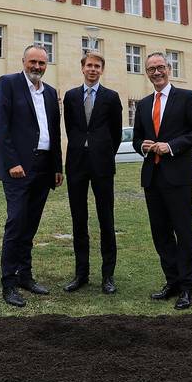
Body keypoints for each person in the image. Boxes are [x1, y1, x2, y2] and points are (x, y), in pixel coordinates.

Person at [132, 52, 192, 310]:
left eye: (160, 67)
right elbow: (137, 138)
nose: (156, 72)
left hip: (178, 178)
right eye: (151, 69)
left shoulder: (186, 97)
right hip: (152, 178)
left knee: (183, 233)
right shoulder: (143, 104)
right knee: (161, 234)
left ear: (169, 68)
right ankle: (172, 281)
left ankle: (187, 287)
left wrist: (172, 146)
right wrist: (143, 146)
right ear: (147, 73)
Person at [0, 44, 63, 307]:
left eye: (42, 63)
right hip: (18, 169)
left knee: (31, 225)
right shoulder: (8, 84)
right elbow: (0, 126)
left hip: (44, 168)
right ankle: (9, 283)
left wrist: (57, 167)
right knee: (16, 224)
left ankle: (25, 276)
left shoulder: (50, 92)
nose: (37, 67)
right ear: (23, 61)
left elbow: (54, 132)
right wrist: (12, 162)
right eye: (33, 61)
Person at [63, 51, 123, 294]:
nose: (93, 69)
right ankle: (81, 274)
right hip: (76, 163)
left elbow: (116, 133)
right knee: (79, 219)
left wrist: (103, 152)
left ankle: (108, 276)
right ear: (82, 68)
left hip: (102, 165)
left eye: (97, 66)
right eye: (89, 65)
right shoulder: (71, 96)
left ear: (102, 70)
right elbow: (70, 128)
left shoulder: (111, 97)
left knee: (106, 219)